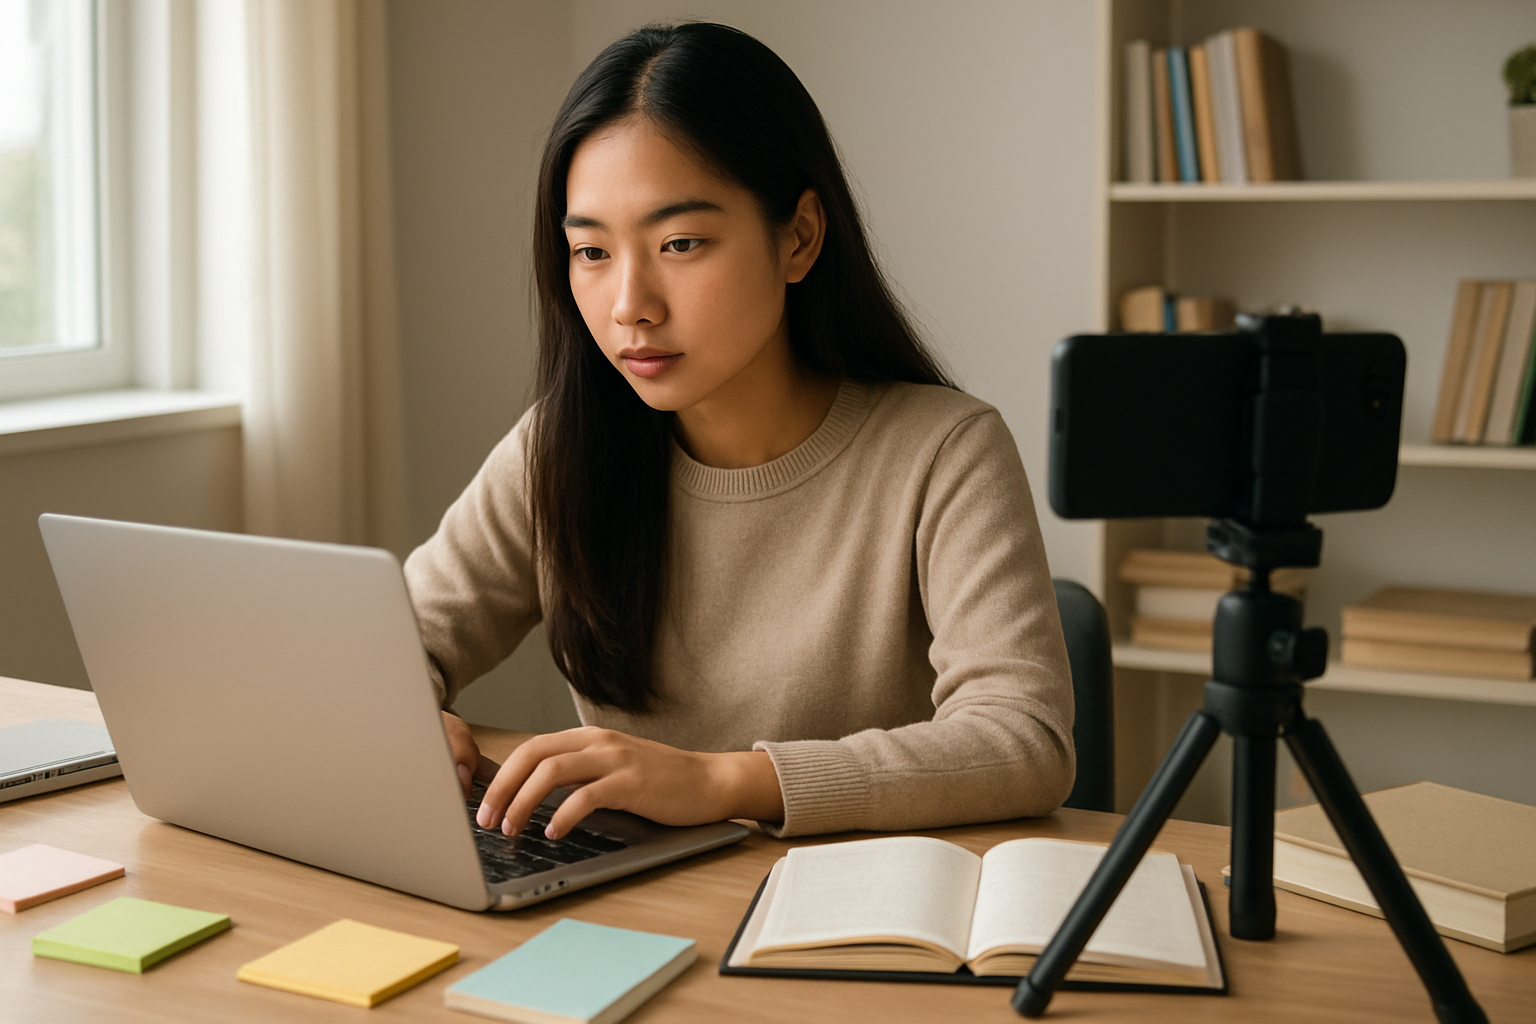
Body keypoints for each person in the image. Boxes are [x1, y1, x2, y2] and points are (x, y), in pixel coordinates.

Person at [404, 22, 1074, 843]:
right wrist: (400, 713)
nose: (629, 306)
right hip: (635, 907)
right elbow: (398, 640)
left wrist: (725, 780)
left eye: (679, 243)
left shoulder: (944, 452)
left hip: (853, 919)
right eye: (591, 252)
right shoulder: (561, 446)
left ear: (798, 238)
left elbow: (1024, 740)